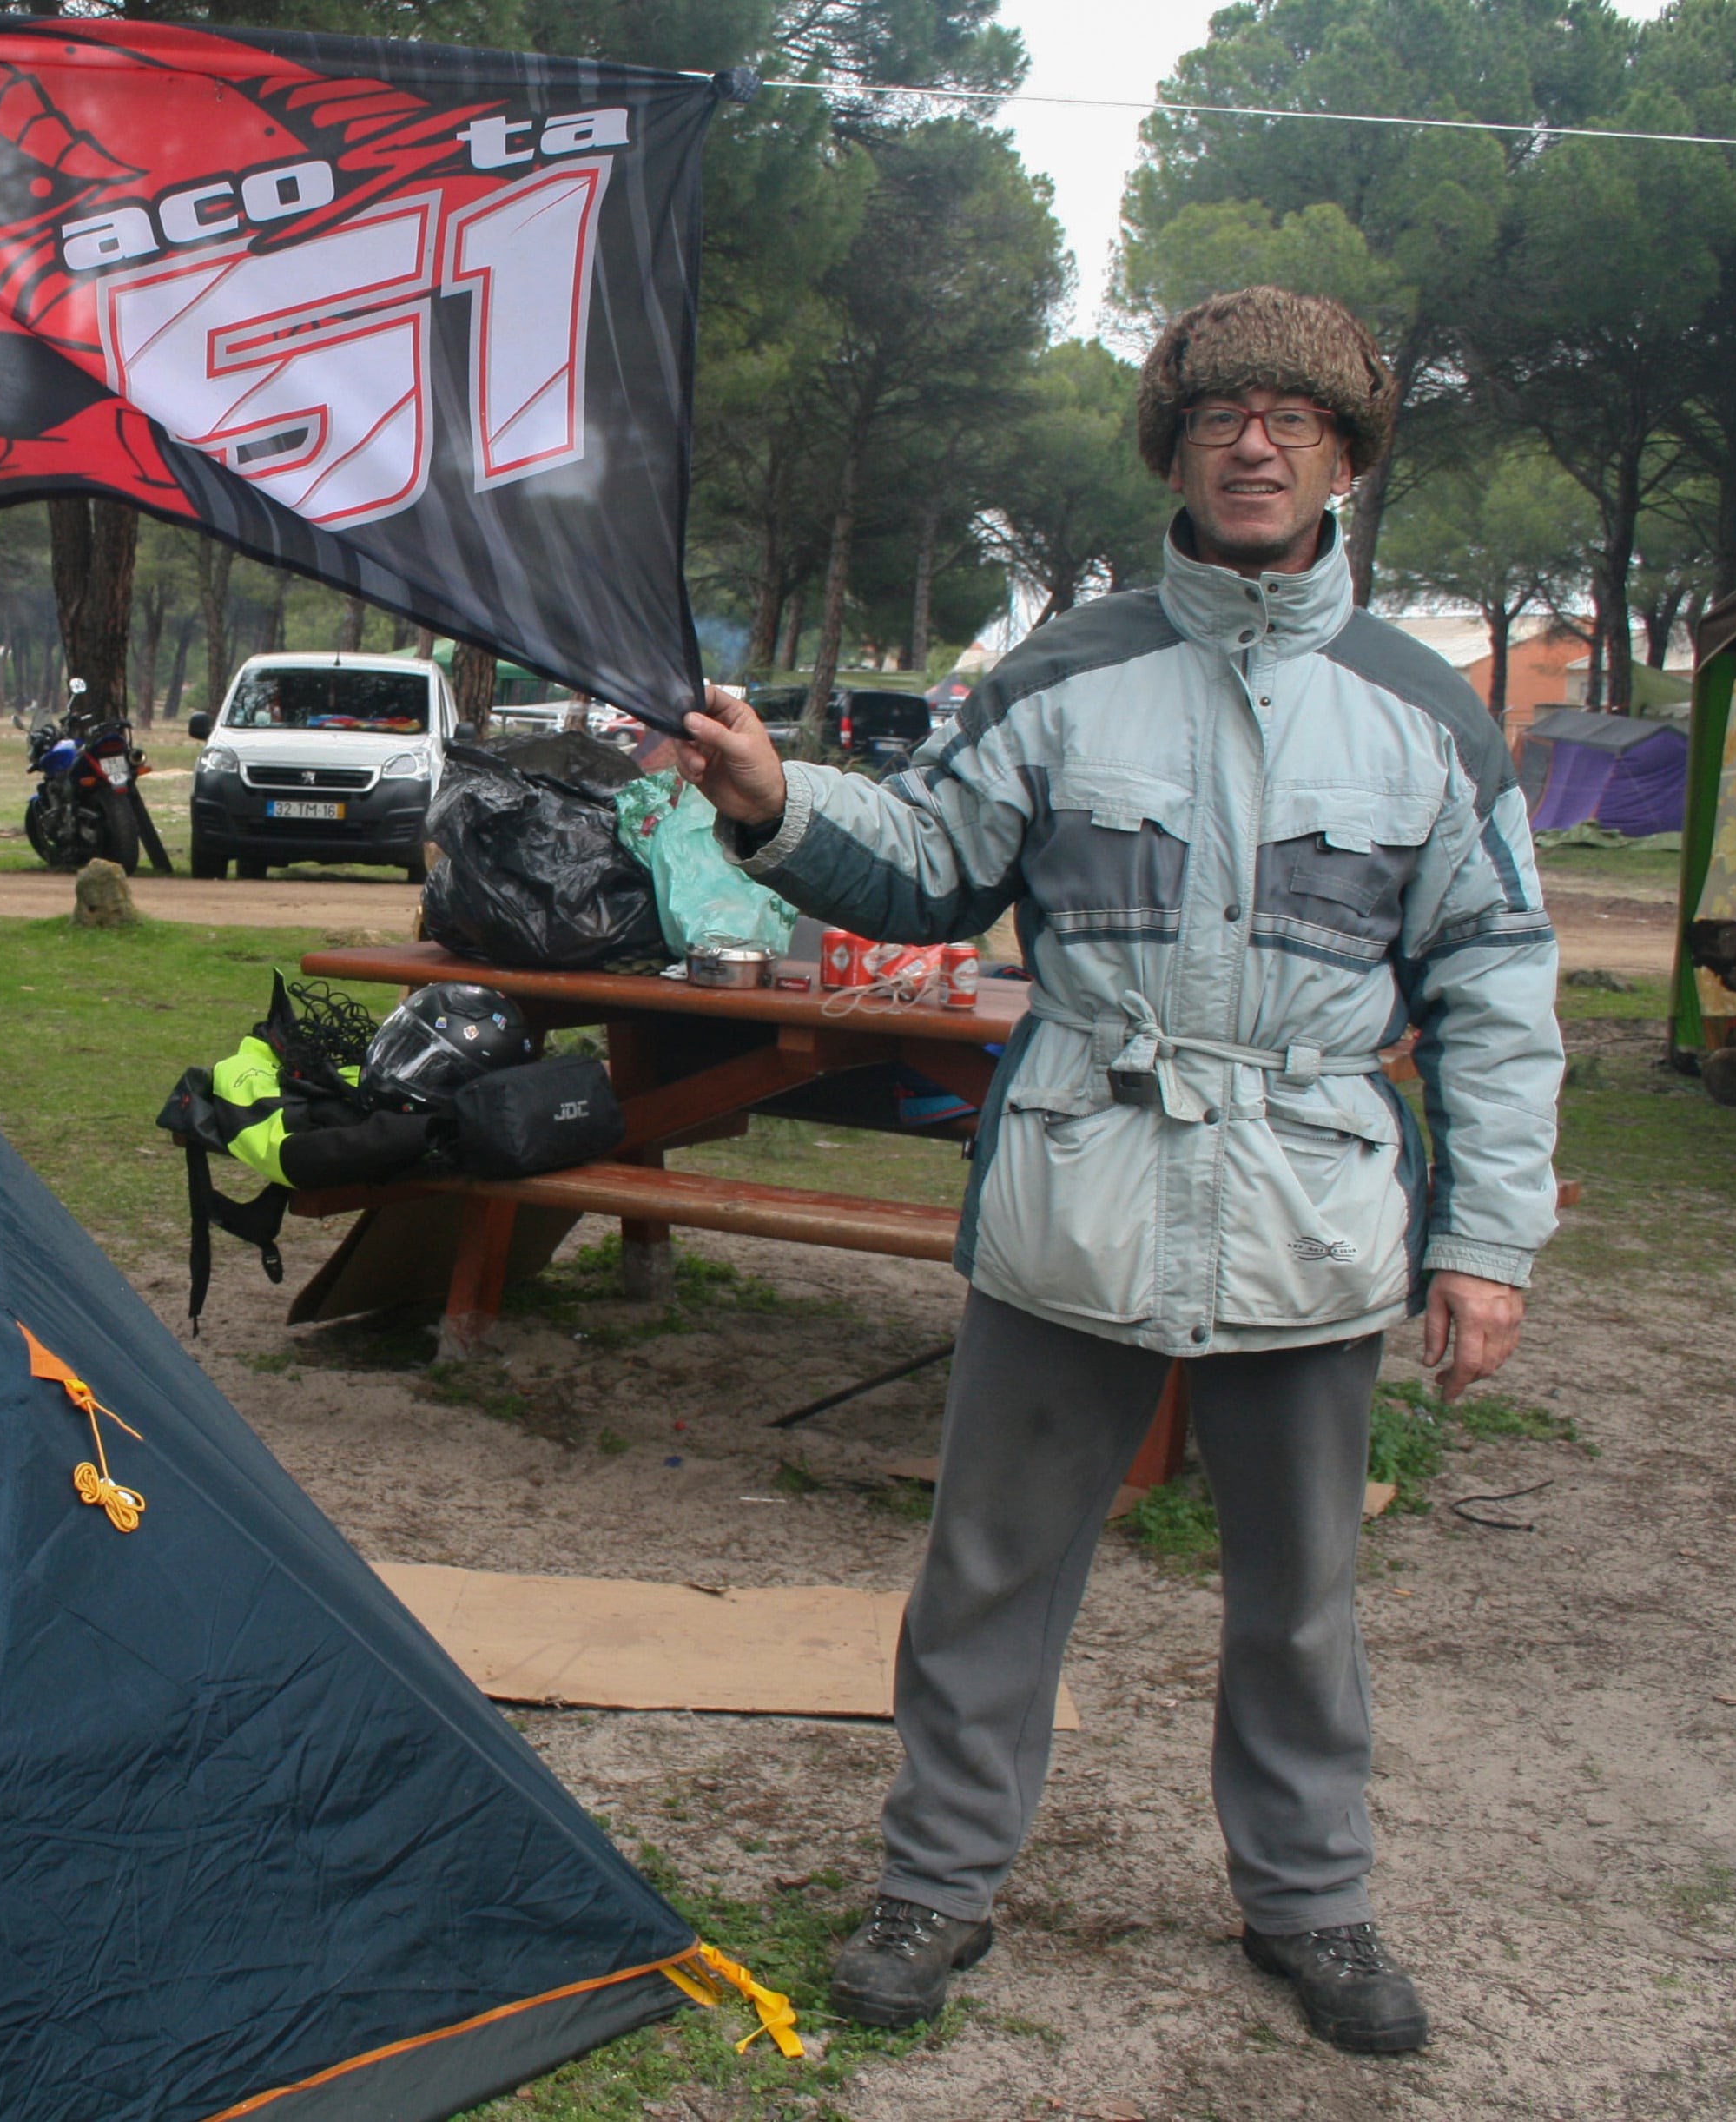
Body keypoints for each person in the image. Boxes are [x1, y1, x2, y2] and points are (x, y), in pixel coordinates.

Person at [675, 286, 1561, 2057]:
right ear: (1168, 444)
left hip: (1311, 1213)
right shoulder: (1064, 672)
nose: (1252, 440)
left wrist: (1487, 1243)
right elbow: (927, 862)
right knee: (987, 1568)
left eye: (1292, 419)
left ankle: (1307, 1904)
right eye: (1218, 410)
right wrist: (776, 802)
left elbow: (1494, 978)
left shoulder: (1421, 716)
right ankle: (934, 1881)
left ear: (1342, 458)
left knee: (1301, 1598)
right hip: (1075, 1192)